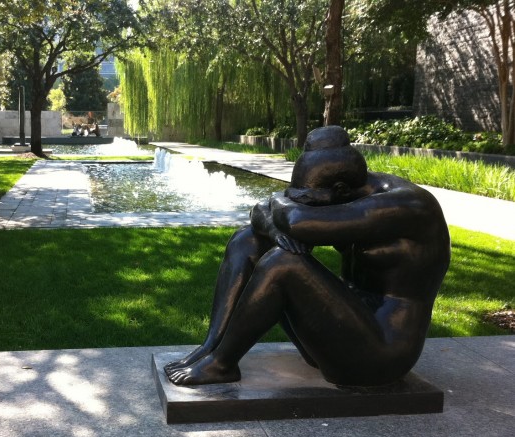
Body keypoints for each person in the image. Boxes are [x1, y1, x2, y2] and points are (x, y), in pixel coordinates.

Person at [165, 126, 451, 387]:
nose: (305, 205)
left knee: (284, 264)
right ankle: (212, 346)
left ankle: (222, 364)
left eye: (311, 200)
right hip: (339, 331)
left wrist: (278, 204)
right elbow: (263, 214)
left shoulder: (407, 206)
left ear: (340, 189)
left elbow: (296, 220)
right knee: (248, 240)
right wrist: (275, 231)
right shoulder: (349, 191)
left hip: (380, 355)